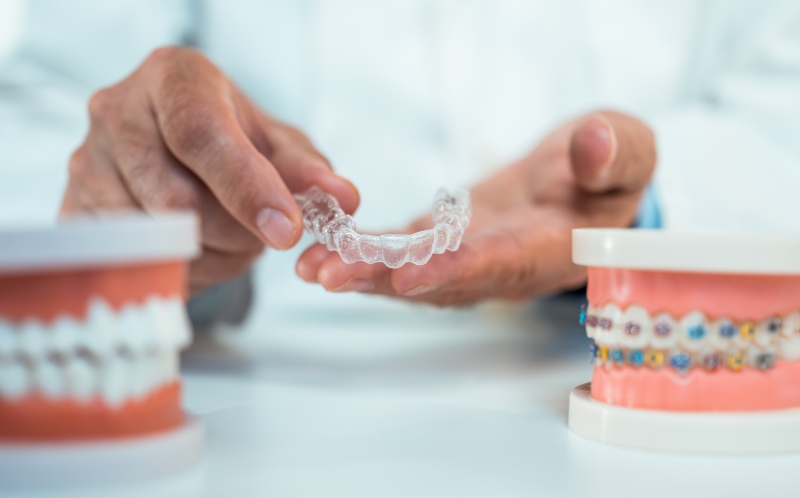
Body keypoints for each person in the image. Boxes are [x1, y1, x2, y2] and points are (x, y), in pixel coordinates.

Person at [2, 0, 800, 310]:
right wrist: (137, 201)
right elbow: (41, 117)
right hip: (250, 402)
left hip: (620, 393)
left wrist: (636, 217)